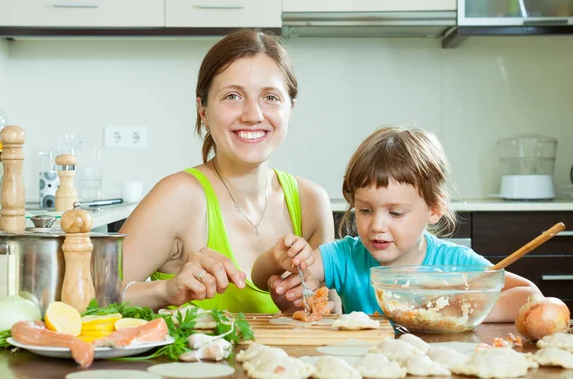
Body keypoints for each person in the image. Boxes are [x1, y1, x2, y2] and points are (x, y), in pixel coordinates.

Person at [119, 28, 340, 313]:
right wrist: (164, 290)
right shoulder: (178, 197)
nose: (253, 115)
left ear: (290, 108)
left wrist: (301, 303)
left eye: (270, 97)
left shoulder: (311, 202)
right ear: (203, 110)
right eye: (233, 96)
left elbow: (329, 313)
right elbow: (86, 295)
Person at [252, 125, 542, 321]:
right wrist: (285, 267)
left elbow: (530, 296)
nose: (377, 226)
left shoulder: (454, 263)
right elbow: (282, 275)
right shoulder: (344, 257)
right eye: (365, 211)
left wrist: (461, 307)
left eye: (395, 213)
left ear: (434, 208)